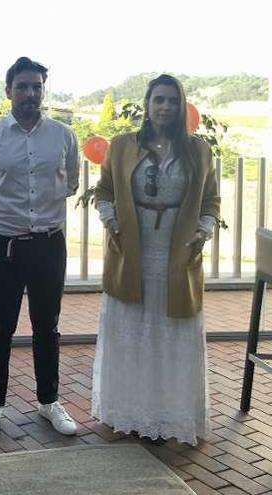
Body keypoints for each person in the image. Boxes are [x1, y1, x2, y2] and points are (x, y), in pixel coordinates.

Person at [92, 74, 220, 445]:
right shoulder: (122, 146)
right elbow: (105, 190)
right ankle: (131, 411)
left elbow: (211, 198)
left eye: (172, 100)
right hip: (133, 246)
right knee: (133, 331)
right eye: (158, 100)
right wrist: (111, 221)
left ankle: (170, 414)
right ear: (147, 106)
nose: (165, 106)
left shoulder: (198, 151)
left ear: (182, 106)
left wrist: (203, 229)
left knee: (171, 333)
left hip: (176, 250)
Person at [0, 57, 80, 440]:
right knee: (1, 327)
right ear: (8, 90)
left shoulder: (64, 136)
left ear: (44, 89)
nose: (30, 94)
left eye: (36, 87)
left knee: (47, 327)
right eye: (22, 87)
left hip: (49, 245)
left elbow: (71, 182)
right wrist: (5, 213)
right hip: (6, 247)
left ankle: (49, 401)